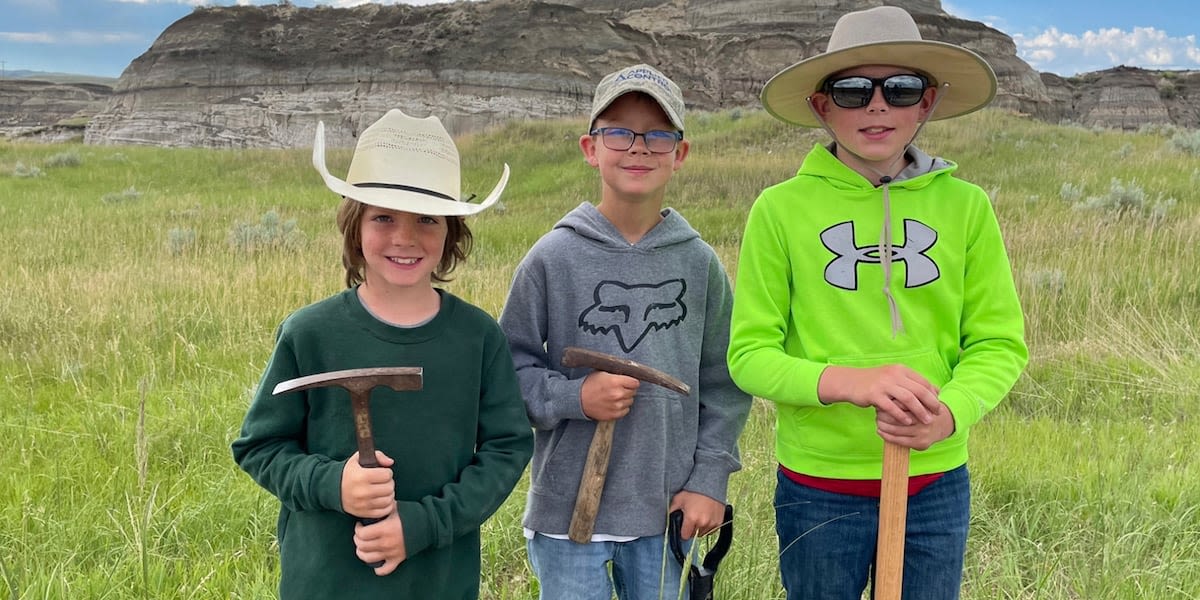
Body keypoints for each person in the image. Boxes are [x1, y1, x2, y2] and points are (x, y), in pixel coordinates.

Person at [727, 6, 1029, 600]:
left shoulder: (967, 208)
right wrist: (852, 383)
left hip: (936, 481)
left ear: (928, 102)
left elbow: (999, 342)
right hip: (819, 485)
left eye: (900, 88)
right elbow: (750, 355)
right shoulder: (779, 210)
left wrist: (950, 414)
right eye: (851, 90)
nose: (876, 106)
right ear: (822, 106)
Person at [232, 109, 534, 600]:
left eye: (427, 219)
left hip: (437, 580)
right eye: (383, 216)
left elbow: (508, 447)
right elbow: (260, 447)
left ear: (452, 231)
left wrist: (422, 525)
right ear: (355, 226)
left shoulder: (477, 338)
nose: (405, 237)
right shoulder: (310, 333)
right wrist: (334, 484)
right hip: (326, 582)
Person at [499, 64, 751, 600]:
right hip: (568, 511)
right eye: (620, 132)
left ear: (679, 154)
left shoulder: (699, 265)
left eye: (658, 135)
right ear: (591, 148)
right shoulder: (551, 258)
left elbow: (725, 382)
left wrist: (709, 479)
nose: (639, 147)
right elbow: (508, 372)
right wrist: (575, 396)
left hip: (666, 513)